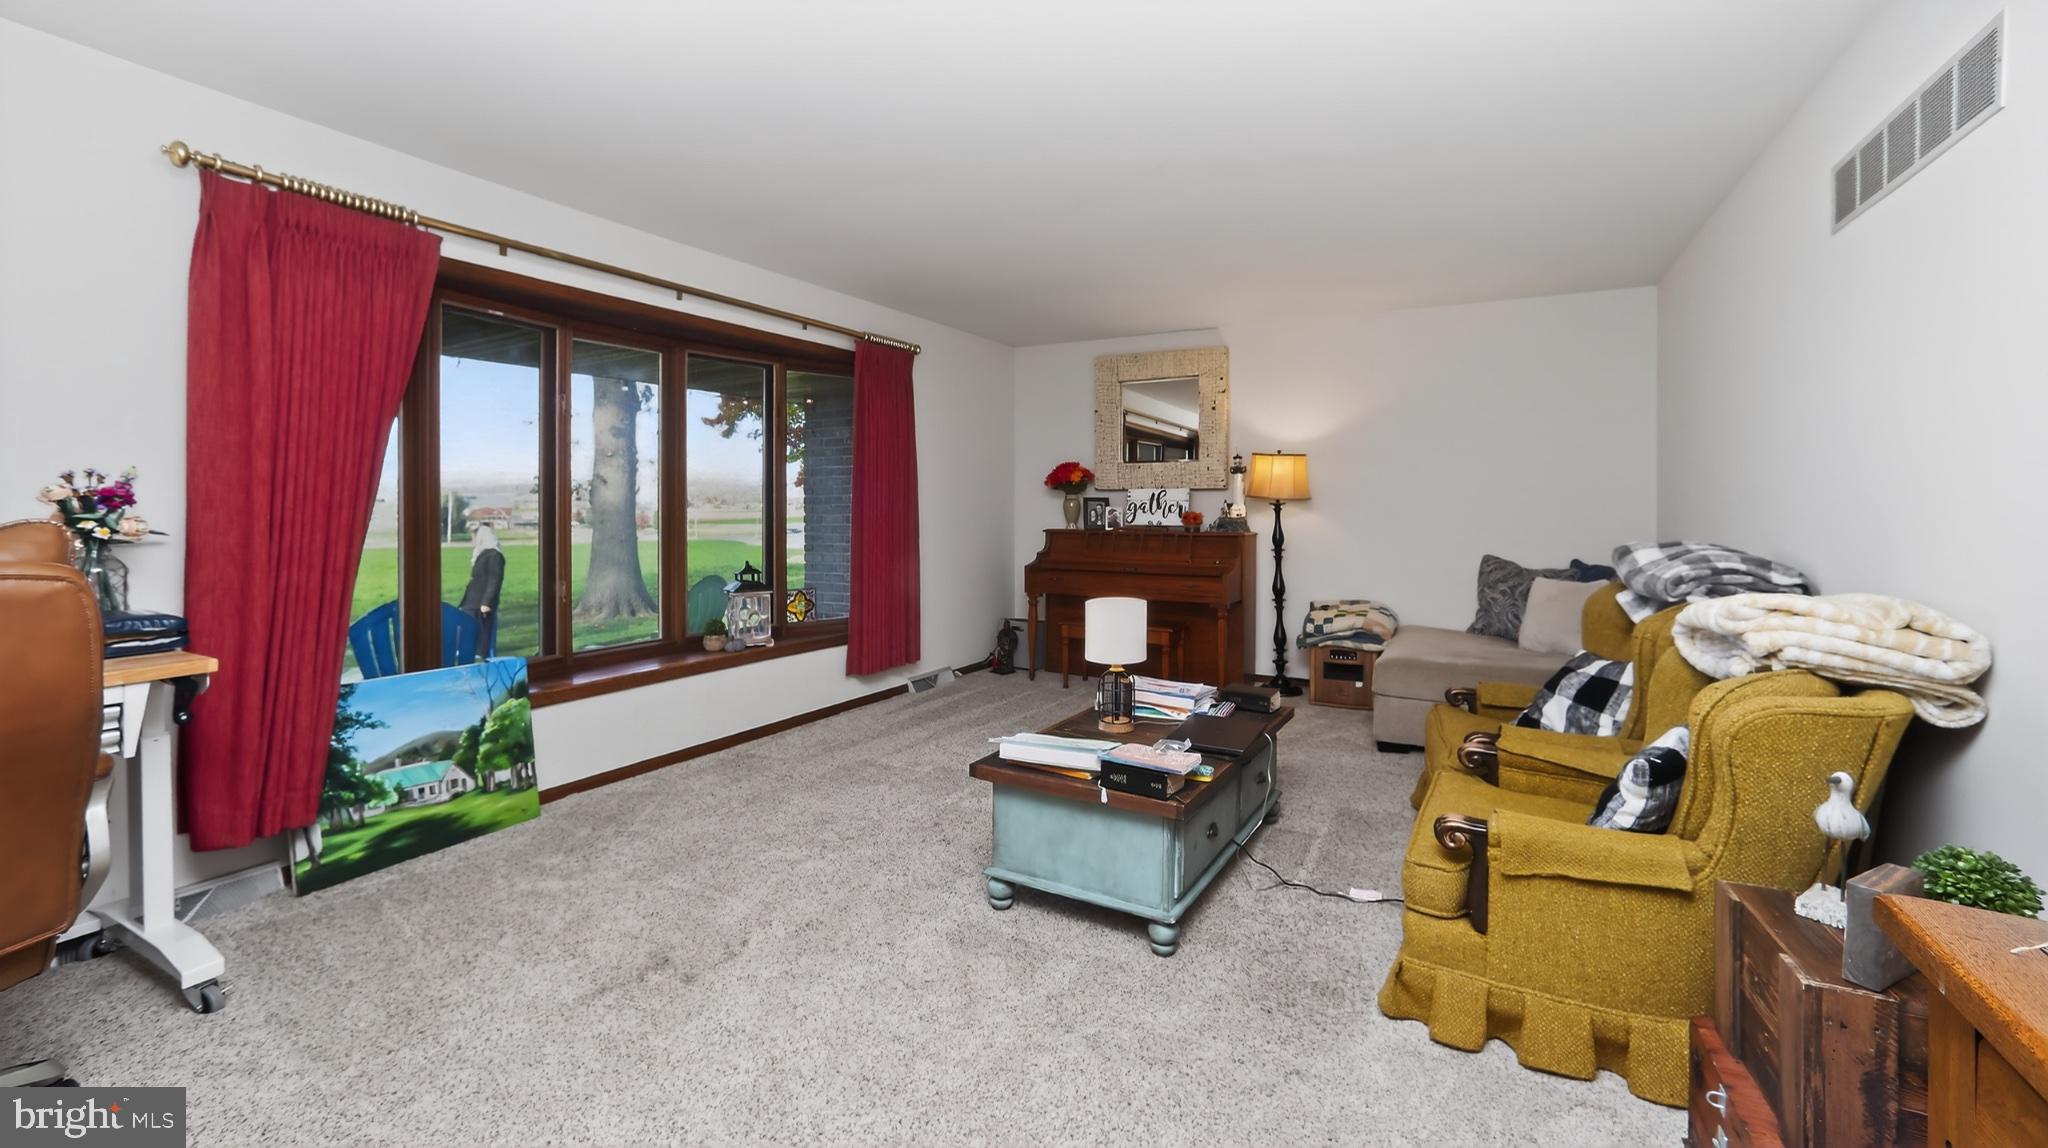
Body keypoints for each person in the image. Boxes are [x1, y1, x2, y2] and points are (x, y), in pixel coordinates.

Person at [456, 524, 505, 658]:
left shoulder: (495, 555)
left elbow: (495, 579)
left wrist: (487, 602)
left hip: (481, 604)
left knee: (483, 639)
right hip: (471, 603)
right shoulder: (481, 554)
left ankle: (482, 659)